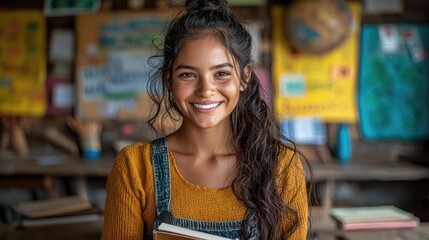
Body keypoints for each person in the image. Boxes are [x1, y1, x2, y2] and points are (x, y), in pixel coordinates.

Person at [101, 0, 311, 239]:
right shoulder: (135, 168)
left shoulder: (281, 167)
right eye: (188, 74)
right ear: (168, 80)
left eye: (221, 74)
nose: (205, 89)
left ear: (245, 77)